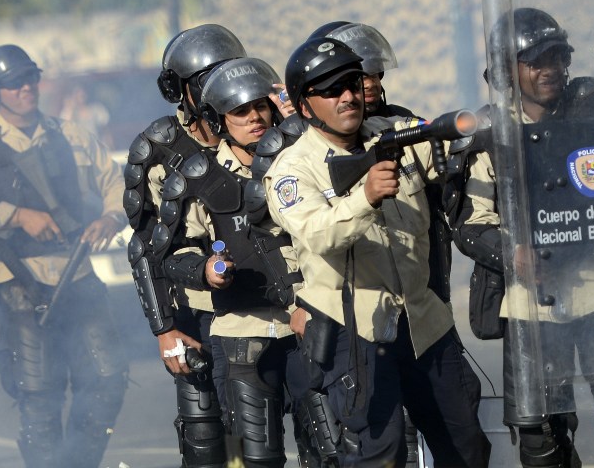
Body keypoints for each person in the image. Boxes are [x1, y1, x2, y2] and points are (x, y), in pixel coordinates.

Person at [451, 7, 594, 466]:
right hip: (531, 301)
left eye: (556, 56)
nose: (548, 69)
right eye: (534, 60)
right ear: (505, 71)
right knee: (541, 440)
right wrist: (514, 254)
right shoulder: (492, 130)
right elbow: (471, 222)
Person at [264, 37, 491, 467]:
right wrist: (363, 198)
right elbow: (317, 235)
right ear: (305, 104)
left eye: (353, 83)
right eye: (331, 90)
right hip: (356, 333)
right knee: (380, 455)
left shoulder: (396, 135)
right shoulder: (291, 170)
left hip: (424, 320)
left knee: (467, 448)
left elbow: (450, 150)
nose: (348, 96)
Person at [0, 44, 128, 468]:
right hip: (17, 281)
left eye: (30, 78)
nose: (26, 87)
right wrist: (13, 215)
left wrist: (112, 218)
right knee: (40, 394)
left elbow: (115, 182)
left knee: (106, 379)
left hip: (77, 274)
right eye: (13, 83)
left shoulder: (71, 133)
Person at [157, 57, 303, 467]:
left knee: (330, 446)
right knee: (247, 455)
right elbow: (172, 250)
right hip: (239, 330)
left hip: (309, 319)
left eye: (261, 106)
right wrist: (204, 271)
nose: (255, 117)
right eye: (241, 111)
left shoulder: (299, 157)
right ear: (219, 119)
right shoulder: (199, 176)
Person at [124, 24, 247, 468]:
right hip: (196, 309)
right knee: (208, 438)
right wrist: (165, 330)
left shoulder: (258, 126)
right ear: (181, 90)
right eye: (205, 82)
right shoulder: (158, 148)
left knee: (284, 433)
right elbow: (145, 247)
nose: (220, 92)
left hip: (266, 300)